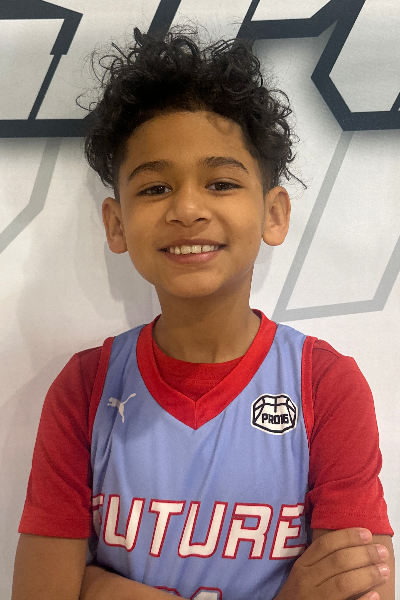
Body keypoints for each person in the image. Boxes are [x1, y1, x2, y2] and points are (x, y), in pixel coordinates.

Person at [12, 26, 394, 600]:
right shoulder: (84, 388)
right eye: (154, 188)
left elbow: (364, 586)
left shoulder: (325, 384)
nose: (187, 208)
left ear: (273, 214)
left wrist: (99, 589)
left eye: (220, 182)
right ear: (116, 224)